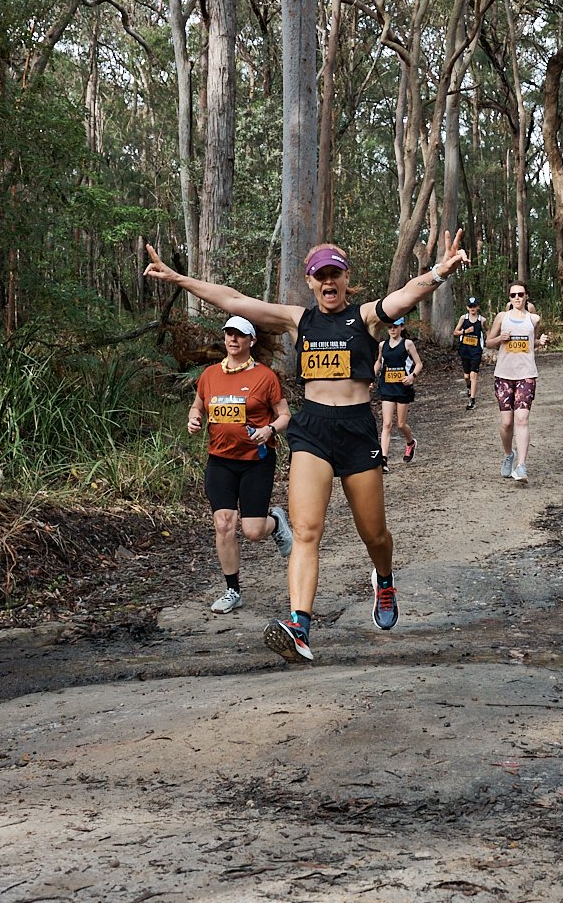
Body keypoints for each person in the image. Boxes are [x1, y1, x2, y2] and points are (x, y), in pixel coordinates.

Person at [144, 231, 469, 663]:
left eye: (335, 273)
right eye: (321, 275)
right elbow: (235, 301)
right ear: (311, 282)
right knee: (307, 531)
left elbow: (405, 296)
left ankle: (384, 580)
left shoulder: (367, 317)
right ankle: (299, 625)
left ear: (345, 277)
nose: (329, 281)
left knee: (373, 533)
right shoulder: (301, 320)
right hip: (312, 431)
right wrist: (180, 279)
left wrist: (438, 273)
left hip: (355, 432)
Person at [188, 316, 294, 614]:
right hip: (220, 460)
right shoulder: (210, 374)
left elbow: (284, 415)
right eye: (229, 334)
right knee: (223, 524)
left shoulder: (265, 377)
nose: (233, 339)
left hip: (255, 461)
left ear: (252, 341)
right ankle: (232, 590)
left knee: (252, 531)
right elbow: (198, 404)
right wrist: (194, 418)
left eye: (239, 335)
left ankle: (275, 521)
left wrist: (270, 429)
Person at [486, 281, 548, 483]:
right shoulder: (501, 318)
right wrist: (500, 339)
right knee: (506, 423)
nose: (517, 298)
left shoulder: (534, 319)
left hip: (526, 375)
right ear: (509, 298)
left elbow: (533, 343)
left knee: (522, 419)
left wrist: (541, 342)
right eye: (513, 295)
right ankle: (508, 455)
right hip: (503, 375)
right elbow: (488, 342)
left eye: (520, 294)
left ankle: (521, 466)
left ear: (526, 296)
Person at [374, 317, 423, 466]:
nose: (392, 329)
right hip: (387, 386)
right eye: (389, 327)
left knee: (400, 424)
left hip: (402, 388)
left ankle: (410, 442)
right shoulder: (383, 345)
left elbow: (419, 364)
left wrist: (412, 376)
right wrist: (370, 378)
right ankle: (384, 460)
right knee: (387, 423)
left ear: (402, 327)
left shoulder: (407, 344)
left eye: (395, 326)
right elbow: (379, 362)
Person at [452, 296, 485, 411]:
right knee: (466, 376)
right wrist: (465, 331)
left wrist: (489, 342)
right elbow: (455, 332)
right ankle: (469, 386)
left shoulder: (482, 320)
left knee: (473, 375)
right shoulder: (463, 318)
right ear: (467, 307)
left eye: (474, 306)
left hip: (476, 351)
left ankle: (472, 400)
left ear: (478, 307)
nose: (472, 308)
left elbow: (489, 330)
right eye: (470, 306)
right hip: (465, 350)